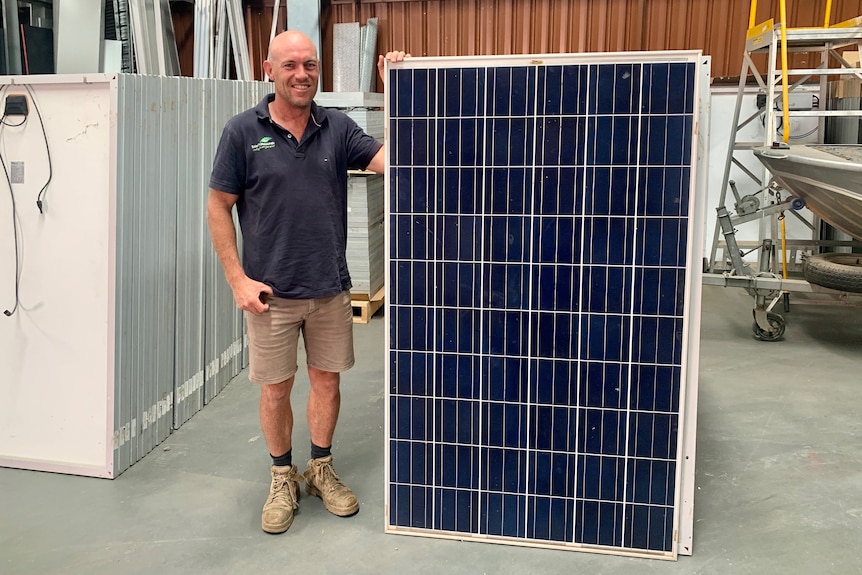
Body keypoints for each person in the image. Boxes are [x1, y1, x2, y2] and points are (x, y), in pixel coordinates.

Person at [207, 30, 406, 534]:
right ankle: (281, 476)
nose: (302, 74)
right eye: (291, 65)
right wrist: (237, 278)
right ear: (268, 70)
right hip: (270, 294)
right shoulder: (240, 132)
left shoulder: (337, 128)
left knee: (326, 381)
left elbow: (397, 160)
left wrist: (399, 88)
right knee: (275, 390)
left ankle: (319, 468)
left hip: (330, 288)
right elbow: (218, 206)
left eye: (311, 65)